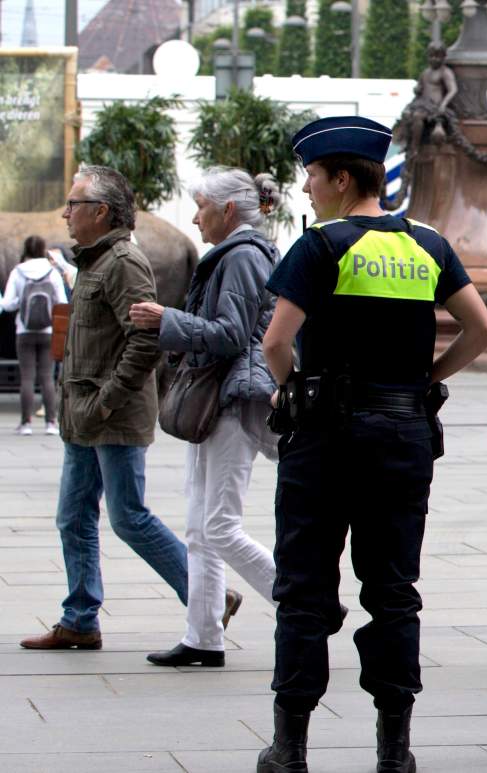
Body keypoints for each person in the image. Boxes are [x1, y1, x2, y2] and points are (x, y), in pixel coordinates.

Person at [254, 116, 487, 773]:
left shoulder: (321, 245)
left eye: (310, 176)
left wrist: (290, 389)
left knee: (305, 588)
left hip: (326, 436)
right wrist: (428, 379)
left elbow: (276, 341)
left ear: (338, 178)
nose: (306, 189)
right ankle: (395, 750)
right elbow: (478, 329)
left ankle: (291, 748)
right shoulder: (427, 243)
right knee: (393, 590)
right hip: (403, 433)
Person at [19, 165, 190, 652]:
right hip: (83, 418)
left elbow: (146, 342)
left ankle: (206, 595)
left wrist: (105, 401)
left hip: (110, 416)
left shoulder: (123, 262)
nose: (66, 213)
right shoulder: (93, 261)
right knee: (73, 517)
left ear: (100, 211)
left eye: (73, 204)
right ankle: (80, 619)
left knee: (129, 517)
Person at [129, 168, 283, 668]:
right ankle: (203, 636)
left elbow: (232, 333)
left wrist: (166, 321)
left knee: (218, 525)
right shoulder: (238, 253)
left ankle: (304, 603)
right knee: (200, 527)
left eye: (200, 206)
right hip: (219, 398)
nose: (195, 217)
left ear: (228, 210)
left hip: (233, 398)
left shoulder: (241, 256)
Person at [2, 234, 68, 435]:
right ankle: (50, 423)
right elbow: (62, 302)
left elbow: (8, 304)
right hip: (48, 331)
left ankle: (26, 423)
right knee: (48, 377)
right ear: (42, 250)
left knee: (27, 378)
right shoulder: (52, 271)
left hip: (24, 331)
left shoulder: (18, 272)